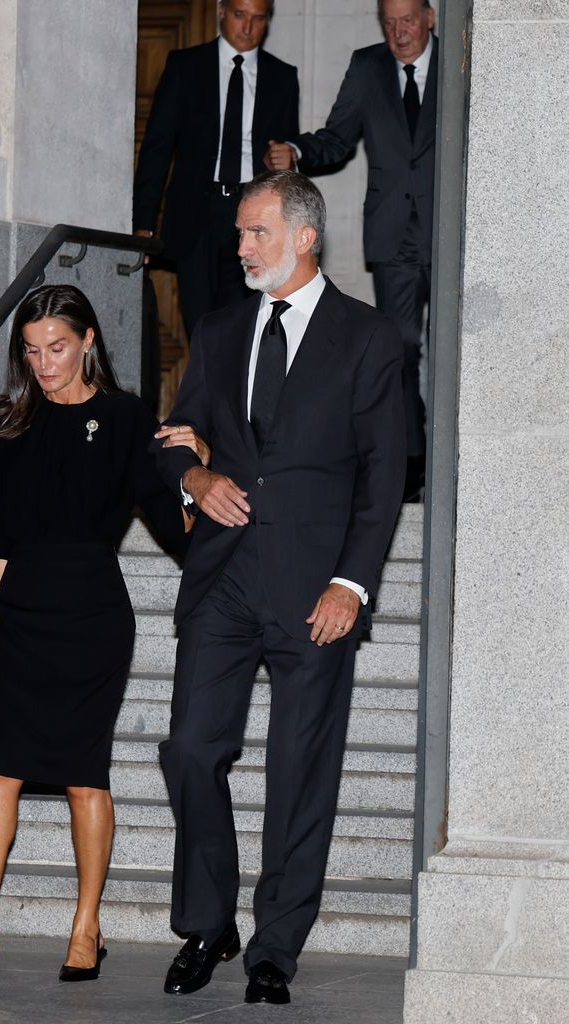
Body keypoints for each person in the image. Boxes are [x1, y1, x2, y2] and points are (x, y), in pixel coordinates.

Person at [152, 171, 405, 1004]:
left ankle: (275, 948)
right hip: (224, 578)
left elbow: (383, 475)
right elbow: (174, 438)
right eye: (238, 234)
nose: (240, 247)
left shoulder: (367, 337)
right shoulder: (221, 329)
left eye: (255, 232)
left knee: (300, 771)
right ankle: (209, 922)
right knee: (190, 748)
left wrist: (352, 585)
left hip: (314, 590)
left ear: (304, 236)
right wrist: (193, 479)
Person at [0, 285, 208, 985]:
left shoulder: (124, 418)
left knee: (84, 777)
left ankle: (87, 925)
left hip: (92, 617)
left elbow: (178, 527)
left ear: (89, 340)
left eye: (57, 348)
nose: (45, 364)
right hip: (23, 617)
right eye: (31, 352)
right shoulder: (9, 423)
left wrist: (198, 472)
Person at [265, 0, 437, 501]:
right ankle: (409, 465)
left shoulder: (462, 59)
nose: (398, 32)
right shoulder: (368, 66)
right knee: (401, 349)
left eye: (408, 21)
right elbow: (338, 140)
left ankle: (457, 458)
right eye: (389, 23)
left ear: (429, 17)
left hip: (452, 236)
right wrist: (297, 152)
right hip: (393, 237)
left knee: (453, 354)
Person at [133, 0, 299, 337]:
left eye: (258, 19)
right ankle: (207, 390)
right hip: (197, 213)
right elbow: (157, 148)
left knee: (243, 328)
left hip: (253, 216)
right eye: (240, 15)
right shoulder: (185, 66)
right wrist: (143, 226)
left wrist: (286, 161)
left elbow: (285, 157)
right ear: (222, 11)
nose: (248, 28)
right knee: (200, 327)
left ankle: (237, 390)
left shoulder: (282, 77)